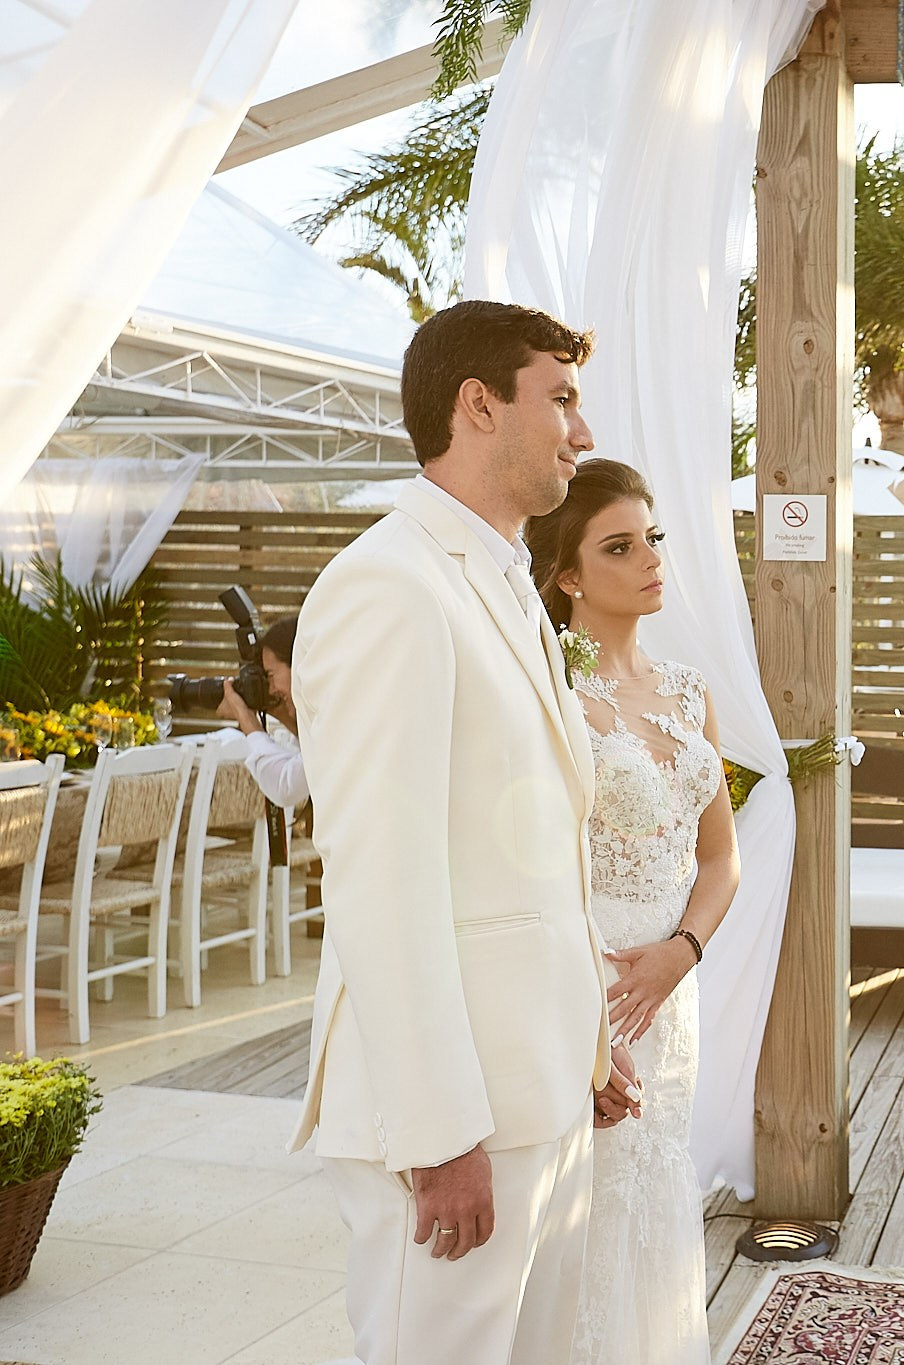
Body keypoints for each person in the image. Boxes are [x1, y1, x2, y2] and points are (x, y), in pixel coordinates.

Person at [288, 300, 640, 1365]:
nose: (581, 432)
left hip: (539, 1089)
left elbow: (534, 854)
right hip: (455, 1118)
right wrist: (440, 1134)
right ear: (478, 405)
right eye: (561, 399)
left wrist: (586, 1039)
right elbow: (381, 882)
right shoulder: (387, 587)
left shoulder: (502, 582)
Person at [525, 457, 740, 1365]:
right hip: (594, 991)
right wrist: (583, 1020)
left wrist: (682, 951)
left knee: (654, 1192)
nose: (651, 558)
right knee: (584, 1213)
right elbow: (532, 873)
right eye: (619, 546)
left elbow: (721, 857)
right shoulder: (551, 695)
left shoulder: (688, 690)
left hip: (668, 996)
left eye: (651, 537)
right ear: (568, 575)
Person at [215, 615, 309, 809]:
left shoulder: (333, 722)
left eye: (270, 675)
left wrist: (246, 718)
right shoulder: (332, 714)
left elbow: (286, 787)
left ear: (297, 664)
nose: (271, 689)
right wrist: (277, 710)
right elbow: (308, 754)